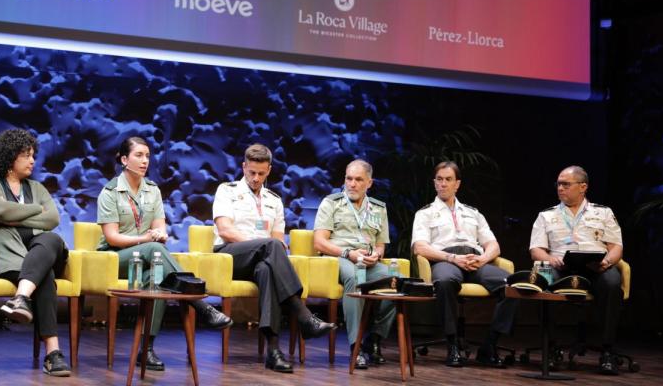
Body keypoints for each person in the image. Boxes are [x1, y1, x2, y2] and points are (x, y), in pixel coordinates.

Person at [97, 137, 232, 371]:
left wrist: (159, 235)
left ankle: (146, 349)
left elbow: (161, 229)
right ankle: (201, 305)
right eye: (139, 155)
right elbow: (112, 237)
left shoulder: (153, 191)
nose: (144, 161)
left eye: (147, 156)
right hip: (116, 258)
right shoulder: (110, 192)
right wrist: (147, 239)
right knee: (154, 249)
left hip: (149, 255)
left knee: (157, 278)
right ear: (124, 159)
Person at [212, 143, 333, 373]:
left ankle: (274, 351)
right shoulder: (226, 191)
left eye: (261, 173)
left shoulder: (274, 200)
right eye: (251, 172)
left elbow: (278, 239)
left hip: (262, 259)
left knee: (267, 269)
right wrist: (259, 244)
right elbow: (225, 230)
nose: (256, 178)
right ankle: (302, 313)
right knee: (269, 246)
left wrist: (268, 246)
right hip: (229, 257)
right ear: (243, 167)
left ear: (269, 170)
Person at [0, 128, 71, 377]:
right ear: (10, 157)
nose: (33, 160)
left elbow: (53, 218)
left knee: (53, 239)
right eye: (26, 155)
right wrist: (35, 210)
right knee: (43, 277)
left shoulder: (36, 187)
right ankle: (53, 353)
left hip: (38, 251)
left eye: (33, 155)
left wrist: (14, 216)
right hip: (6, 254)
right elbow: (0, 211)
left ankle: (21, 297)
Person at [411, 161, 516, 368]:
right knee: (445, 281)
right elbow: (420, 248)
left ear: (457, 184)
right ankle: (452, 345)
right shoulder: (425, 213)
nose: (443, 184)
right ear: (434, 183)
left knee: (512, 286)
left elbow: (493, 244)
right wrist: (451, 258)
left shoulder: (473, 212)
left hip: (475, 260)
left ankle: (489, 346)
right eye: (439, 179)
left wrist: (483, 259)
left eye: (448, 180)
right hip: (446, 260)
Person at [529, 166, 624, 375]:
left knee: (612, 283)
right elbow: (536, 250)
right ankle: (551, 348)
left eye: (566, 184)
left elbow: (616, 246)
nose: (560, 188)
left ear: (583, 187)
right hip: (559, 265)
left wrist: (607, 262)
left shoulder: (603, 212)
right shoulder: (546, 215)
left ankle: (607, 352)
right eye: (558, 184)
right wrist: (549, 258)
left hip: (595, 265)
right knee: (540, 279)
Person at [313, 159, 396, 369]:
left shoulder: (378, 208)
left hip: (367, 260)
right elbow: (320, 242)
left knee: (397, 282)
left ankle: (374, 340)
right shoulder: (331, 203)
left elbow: (380, 246)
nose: (352, 184)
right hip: (338, 258)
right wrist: (348, 253)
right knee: (355, 277)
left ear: (369, 183)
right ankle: (355, 347)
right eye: (349, 179)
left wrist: (375, 256)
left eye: (358, 180)